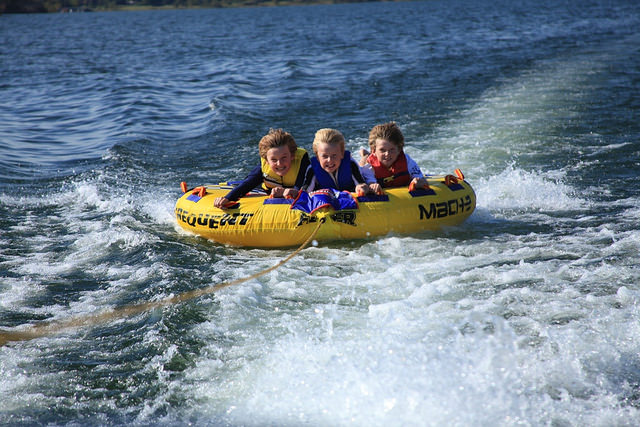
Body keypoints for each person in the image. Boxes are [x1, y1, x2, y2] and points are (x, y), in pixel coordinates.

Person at [214, 128, 311, 208]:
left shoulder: (302, 162)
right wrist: (227, 198)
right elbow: (248, 183)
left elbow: (303, 186)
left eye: (284, 158)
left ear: (292, 156)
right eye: (274, 160)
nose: (280, 163)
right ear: (267, 161)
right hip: (268, 192)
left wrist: (288, 191)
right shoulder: (264, 167)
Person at [304, 128, 378, 195]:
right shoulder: (312, 169)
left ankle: (365, 155)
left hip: (352, 184)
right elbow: (305, 189)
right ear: (317, 157)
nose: (329, 160)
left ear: (342, 154)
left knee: (363, 167)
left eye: (334, 155)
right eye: (325, 156)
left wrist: (362, 188)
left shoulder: (350, 164)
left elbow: (361, 183)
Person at [359, 122, 429, 191]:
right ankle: (365, 155)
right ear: (374, 150)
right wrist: (372, 185)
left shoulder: (407, 161)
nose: (387, 154)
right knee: (363, 163)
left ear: (399, 149)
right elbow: (370, 182)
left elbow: (420, 178)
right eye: (382, 150)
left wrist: (418, 181)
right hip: (370, 163)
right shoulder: (368, 167)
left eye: (392, 150)